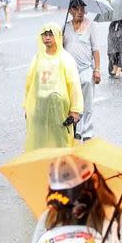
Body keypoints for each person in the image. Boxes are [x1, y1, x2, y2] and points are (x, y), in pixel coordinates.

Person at [23, 23, 83, 151]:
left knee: (60, 139)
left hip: (59, 106)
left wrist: (75, 110)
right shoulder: (38, 58)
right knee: (40, 138)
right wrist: (28, 106)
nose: (48, 38)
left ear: (58, 37)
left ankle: (60, 166)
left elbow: (74, 85)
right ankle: (42, 165)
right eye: (45, 34)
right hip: (41, 104)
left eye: (51, 34)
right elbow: (30, 83)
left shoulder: (65, 58)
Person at [63, 0, 101, 141]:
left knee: (87, 102)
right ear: (70, 11)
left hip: (86, 69)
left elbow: (96, 49)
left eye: (82, 9)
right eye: (76, 9)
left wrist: (97, 70)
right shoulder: (65, 27)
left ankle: (87, 132)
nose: (79, 12)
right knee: (73, 102)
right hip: (69, 70)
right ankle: (76, 129)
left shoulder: (91, 26)